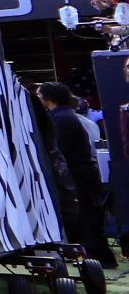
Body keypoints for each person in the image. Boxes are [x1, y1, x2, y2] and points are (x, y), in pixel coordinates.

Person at [39, 83, 111, 270]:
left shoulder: (62, 118)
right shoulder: (63, 116)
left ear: (49, 98)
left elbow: (58, 149)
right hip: (79, 174)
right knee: (86, 217)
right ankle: (95, 255)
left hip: (79, 175)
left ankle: (98, 257)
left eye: (40, 96)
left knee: (87, 217)